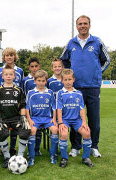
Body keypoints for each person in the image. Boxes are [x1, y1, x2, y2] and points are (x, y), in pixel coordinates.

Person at [60, 15, 111, 157]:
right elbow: (63, 59)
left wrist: (96, 73)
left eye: (85, 23)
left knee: (93, 118)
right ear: (76, 26)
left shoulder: (97, 42)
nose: (83, 26)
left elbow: (107, 60)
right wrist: (70, 74)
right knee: (75, 118)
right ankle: (76, 147)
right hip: (76, 89)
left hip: (93, 87)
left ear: (89, 25)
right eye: (80, 24)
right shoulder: (71, 43)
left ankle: (94, 146)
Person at [0, 65, 30, 168]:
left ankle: (20, 157)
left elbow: (23, 105)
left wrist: (23, 117)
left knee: (25, 130)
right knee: (1, 132)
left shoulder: (18, 90)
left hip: (16, 118)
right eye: (6, 74)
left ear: (14, 76)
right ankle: (7, 157)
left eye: (11, 74)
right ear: (2, 76)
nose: (8, 76)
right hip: (4, 119)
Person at [57, 69, 94, 168]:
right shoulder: (60, 93)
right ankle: (64, 158)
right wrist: (60, 123)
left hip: (77, 120)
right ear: (62, 81)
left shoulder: (78, 93)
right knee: (64, 134)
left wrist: (84, 122)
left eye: (70, 79)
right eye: (65, 79)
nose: (68, 81)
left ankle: (85, 158)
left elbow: (82, 109)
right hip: (65, 119)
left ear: (73, 79)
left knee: (86, 133)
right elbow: (59, 109)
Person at [0, 47, 24, 155]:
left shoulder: (20, 71)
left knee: (15, 127)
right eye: (7, 55)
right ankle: (4, 150)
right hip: (3, 103)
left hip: (15, 103)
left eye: (11, 55)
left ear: (14, 57)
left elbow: (21, 88)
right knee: (3, 126)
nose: (9, 57)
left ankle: (12, 147)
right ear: (4, 57)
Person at [26, 70, 58, 166]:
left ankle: (53, 154)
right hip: (35, 118)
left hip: (47, 118)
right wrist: (29, 119)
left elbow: (54, 107)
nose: (41, 83)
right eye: (39, 80)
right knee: (32, 131)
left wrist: (54, 118)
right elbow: (27, 108)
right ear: (35, 81)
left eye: (43, 81)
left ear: (46, 81)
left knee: (55, 130)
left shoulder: (50, 92)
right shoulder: (31, 93)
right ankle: (31, 156)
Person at [22, 57, 43, 156]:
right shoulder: (26, 80)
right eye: (32, 67)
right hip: (29, 109)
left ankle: (37, 149)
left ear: (39, 66)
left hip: (40, 109)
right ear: (29, 68)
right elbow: (23, 94)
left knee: (39, 130)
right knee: (29, 129)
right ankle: (29, 149)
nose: (34, 68)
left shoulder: (42, 78)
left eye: (36, 66)